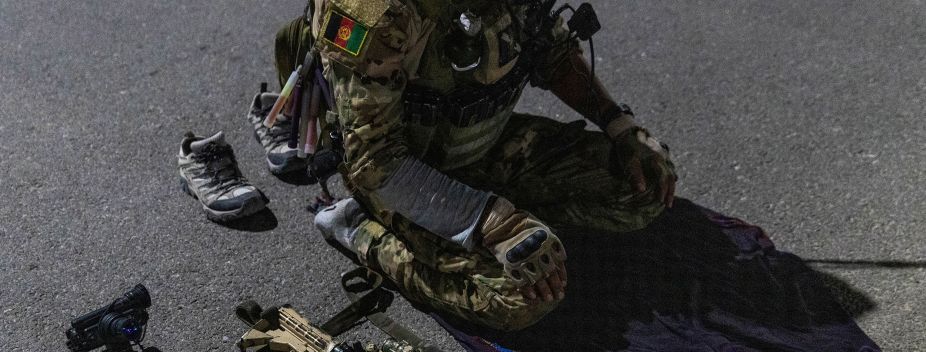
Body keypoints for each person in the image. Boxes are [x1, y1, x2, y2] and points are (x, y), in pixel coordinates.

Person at [252, 0, 676, 331]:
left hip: (486, 142)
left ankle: (497, 216)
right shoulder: (376, 14)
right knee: (522, 296)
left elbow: (555, 55)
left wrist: (620, 126)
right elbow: (377, 164)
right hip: (401, 176)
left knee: (644, 187)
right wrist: (497, 223)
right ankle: (361, 231)